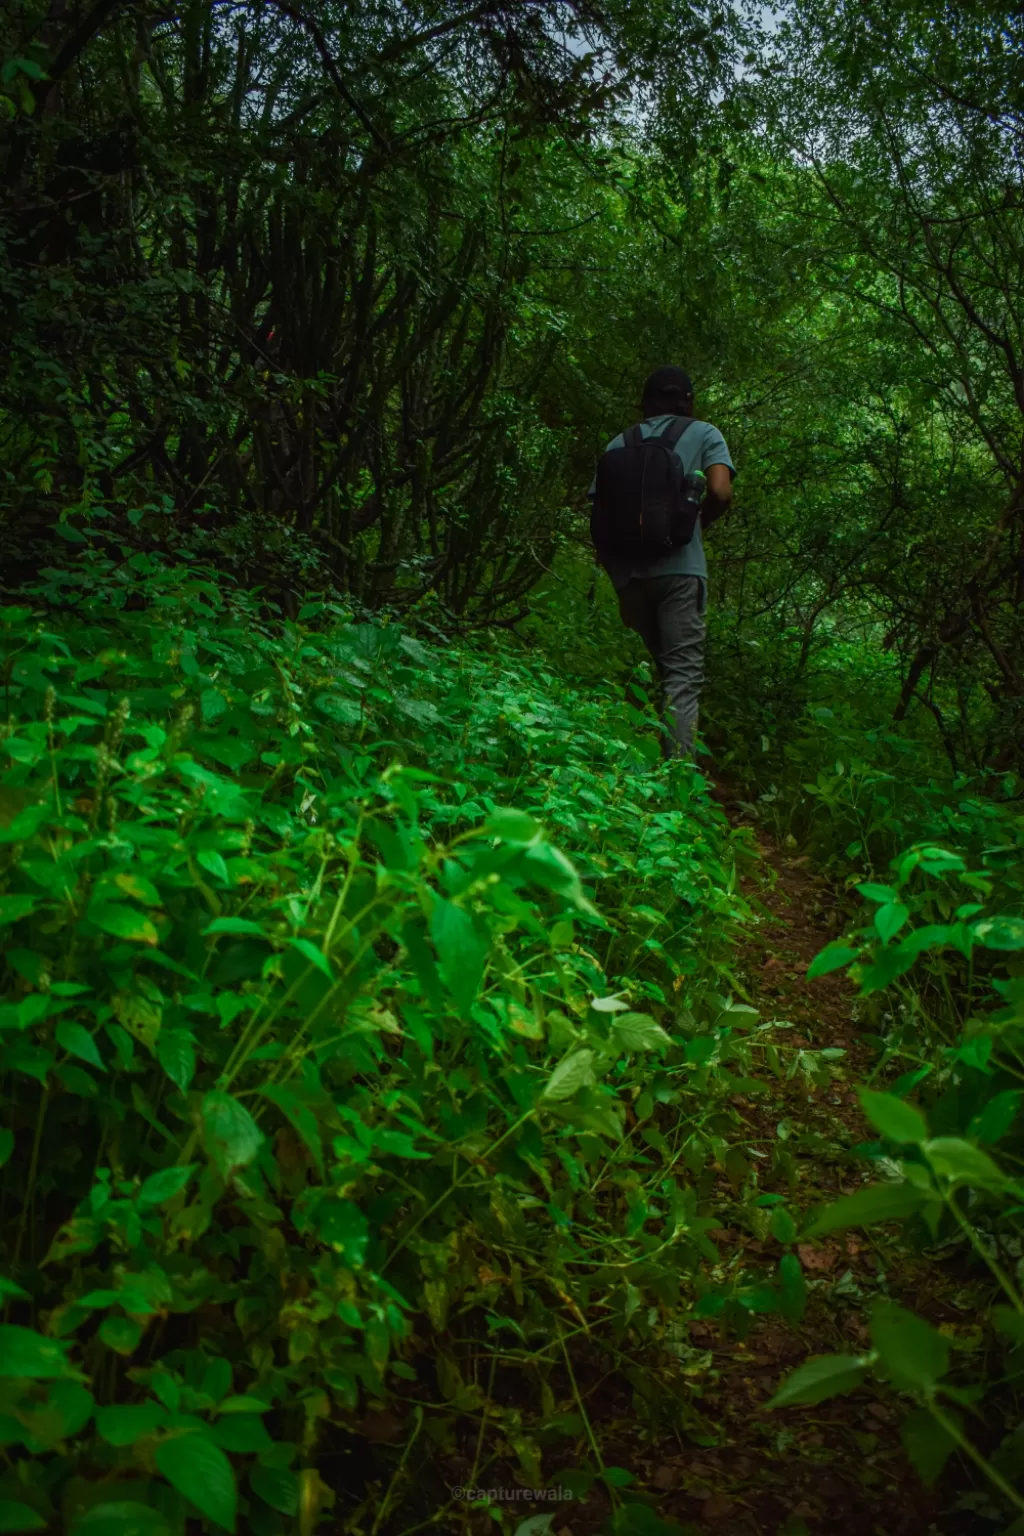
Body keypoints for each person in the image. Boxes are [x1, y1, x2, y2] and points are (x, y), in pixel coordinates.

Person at [589, 366, 735, 761]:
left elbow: (599, 515)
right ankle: (676, 781)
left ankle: (637, 756)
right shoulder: (705, 433)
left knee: (661, 668)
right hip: (680, 571)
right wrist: (695, 525)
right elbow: (720, 491)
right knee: (682, 676)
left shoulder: (617, 443)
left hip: (629, 578)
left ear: (644, 403)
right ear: (687, 401)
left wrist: (620, 581)